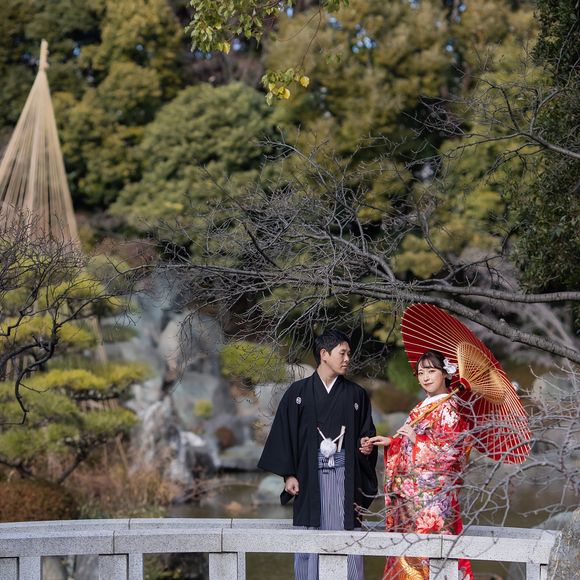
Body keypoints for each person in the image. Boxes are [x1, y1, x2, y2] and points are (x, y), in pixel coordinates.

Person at [258, 329, 378, 580]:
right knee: (309, 536)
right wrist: (289, 474)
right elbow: (285, 434)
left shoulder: (356, 394)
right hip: (308, 476)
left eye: (348, 353)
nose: (347, 359)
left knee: (347, 535)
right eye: (342, 353)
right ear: (324, 354)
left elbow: (365, 433)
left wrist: (366, 445)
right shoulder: (298, 393)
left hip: (345, 476)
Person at [369, 349, 474, 580]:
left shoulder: (451, 409)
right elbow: (407, 442)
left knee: (430, 558)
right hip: (410, 499)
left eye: (431, 371)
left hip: (433, 501)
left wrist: (418, 440)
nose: (425, 377)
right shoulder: (423, 406)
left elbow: (452, 453)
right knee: (408, 555)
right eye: (421, 372)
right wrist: (392, 442)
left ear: (445, 373)